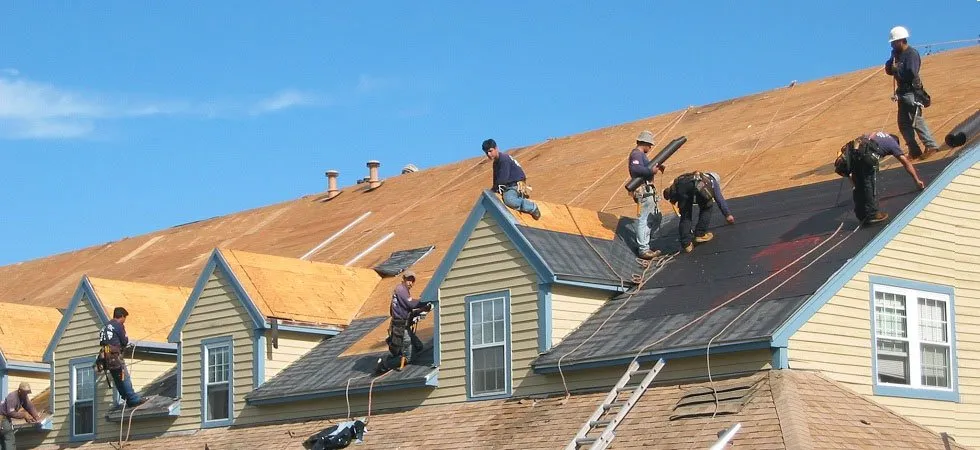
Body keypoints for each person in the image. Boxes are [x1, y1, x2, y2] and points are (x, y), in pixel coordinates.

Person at [844, 132, 925, 224]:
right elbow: (905, 162)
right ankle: (872, 215)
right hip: (866, 154)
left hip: (854, 151)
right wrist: (917, 180)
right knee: (869, 183)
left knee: (859, 185)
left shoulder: (877, 135)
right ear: (897, 142)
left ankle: (861, 215)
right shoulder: (893, 143)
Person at [884, 26, 939, 159]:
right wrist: (891, 63)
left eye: (894, 42)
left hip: (911, 93)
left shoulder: (911, 54)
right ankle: (914, 150)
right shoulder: (897, 55)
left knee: (916, 120)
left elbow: (911, 73)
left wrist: (897, 70)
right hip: (902, 93)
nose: (892, 45)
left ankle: (931, 145)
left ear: (901, 41)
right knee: (903, 123)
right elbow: (889, 71)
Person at [663, 171, 735, 253]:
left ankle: (686, 244)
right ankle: (700, 234)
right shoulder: (711, 182)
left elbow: (676, 187)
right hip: (696, 188)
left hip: (683, 188)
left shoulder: (693, 176)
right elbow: (719, 199)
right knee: (707, 206)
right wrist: (728, 215)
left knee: (686, 216)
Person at [377, 272, 431, 373]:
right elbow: (410, 304)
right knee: (408, 357)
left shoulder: (402, 291)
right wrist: (426, 301)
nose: (410, 283)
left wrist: (423, 308)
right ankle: (385, 364)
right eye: (409, 280)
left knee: (419, 347)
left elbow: (407, 311)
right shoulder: (401, 289)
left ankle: (397, 357)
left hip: (403, 327)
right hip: (400, 328)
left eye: (412, 281)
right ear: (404, 279)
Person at [629, 131, 668, 259]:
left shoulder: (641, 156)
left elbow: (644, 167)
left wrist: (656, 166)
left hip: (648, 189)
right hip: (643, 190)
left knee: (656, 217)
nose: (650, 148)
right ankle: (643, 249)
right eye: (649, 145)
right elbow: (635, 169)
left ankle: (644, 244)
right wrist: (650, 171)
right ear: (644, 143)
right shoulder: (636, 154)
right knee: (644, 218)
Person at [483, 139, 542, 220]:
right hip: (509, 186)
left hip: (516, 185)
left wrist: (496, 190)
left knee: (509, 199)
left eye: (490, 151)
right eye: (486, 152)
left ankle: (532, 207)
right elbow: (496, 182)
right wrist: (492, 192)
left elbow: (503, 180)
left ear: (496, 148)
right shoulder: (496, 163)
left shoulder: (504, 159)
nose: (489, 154)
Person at [97, 307, 144, 407]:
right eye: (124, 318)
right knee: (124, 377)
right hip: (114, 356)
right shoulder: (118, 325)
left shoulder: (105, 326)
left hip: (106, 356)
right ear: (122, 316)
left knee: (117, 379)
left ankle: (126, 399)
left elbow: (103, 342)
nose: (124, 321)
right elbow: (124, 341)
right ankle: (133, 399)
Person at [1, 382, 40, 450]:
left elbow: (29, 406)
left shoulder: (23, 396)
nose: (26, 394)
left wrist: (36, 416)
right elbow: (11, 413)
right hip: (2, 419)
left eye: (27, 392)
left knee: (2, 440)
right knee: (9, 438)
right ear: (19, 390)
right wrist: (24, 415)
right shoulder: (12, 397)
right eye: (25, 392)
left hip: (5, 418)